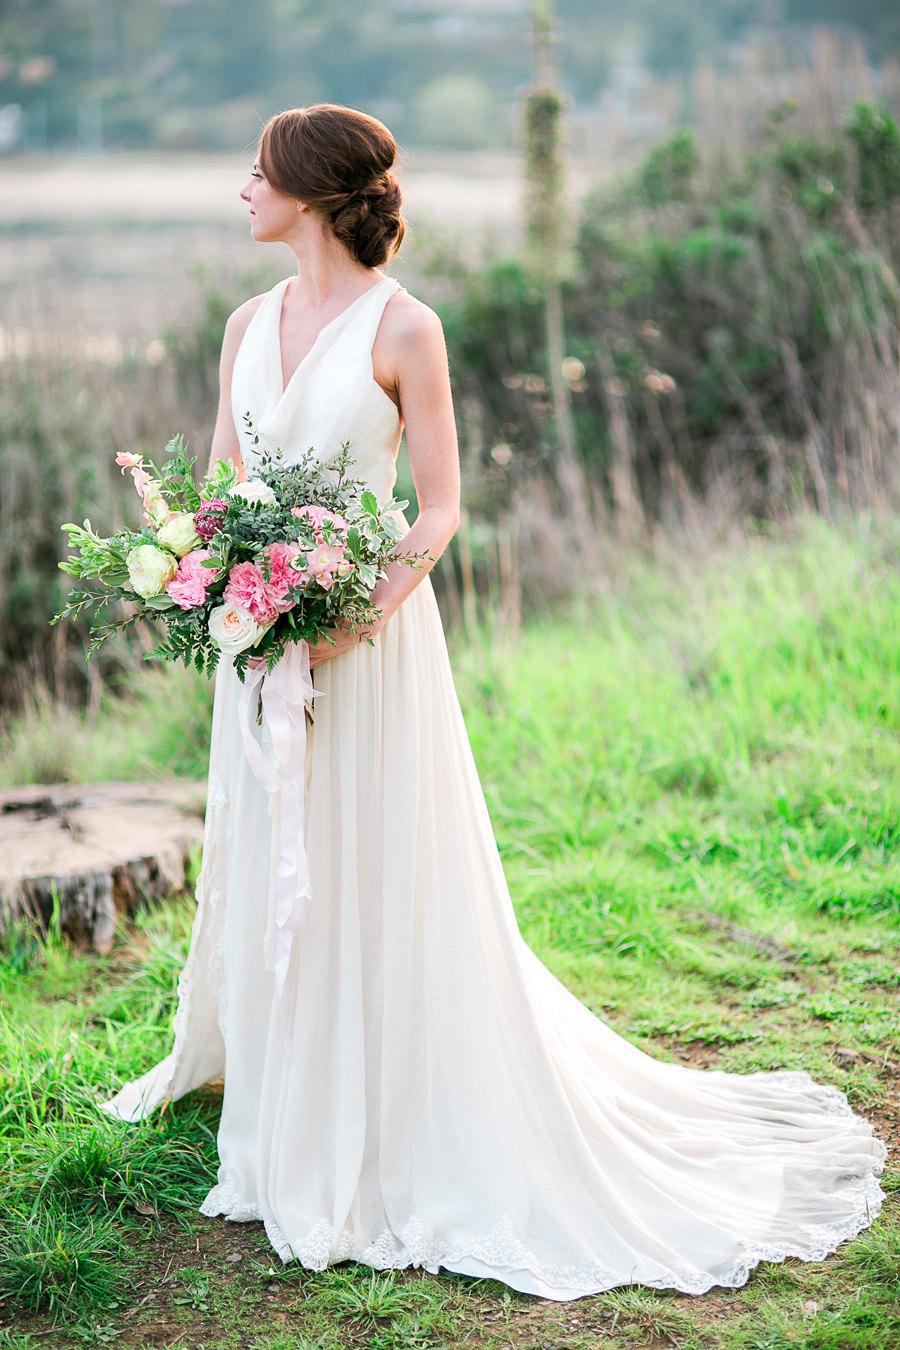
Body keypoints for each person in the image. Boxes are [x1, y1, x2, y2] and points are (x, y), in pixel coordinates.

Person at [99, 103, 886, 1302]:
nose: (240, 190)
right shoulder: (244, 324)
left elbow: (439, 507)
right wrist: (205, 573)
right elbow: (223, 484)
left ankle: (394, 1108)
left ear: (310, 194)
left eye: (256, 173)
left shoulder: (408, 330)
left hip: (369, 646)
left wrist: (358, 616)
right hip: (260, 649)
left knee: (373, 867)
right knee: (272, 860)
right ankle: (284, 1094)